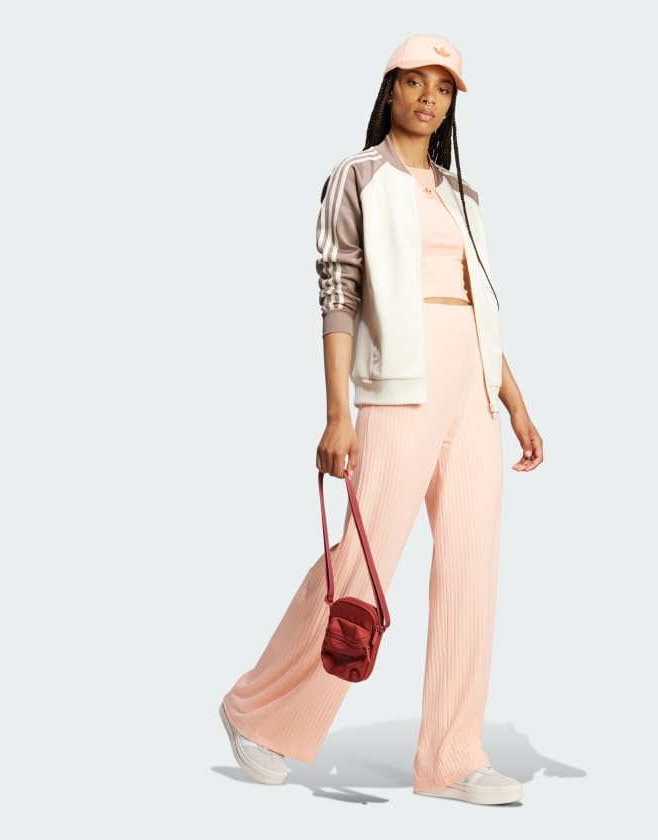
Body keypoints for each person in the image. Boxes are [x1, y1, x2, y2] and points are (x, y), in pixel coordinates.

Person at [219, 33, 544, 806]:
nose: (429, 98)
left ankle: (452, 757)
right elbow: (338, 291)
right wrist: (338, 412)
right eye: (416, 82)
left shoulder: (464, 195)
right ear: (390, 88)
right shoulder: (356, 176)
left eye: (444, 88)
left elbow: (479, 306)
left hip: (473, 392)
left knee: (471, 571)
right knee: (362, 563)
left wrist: (516, 401)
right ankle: (257, 711)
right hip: (397, 389)